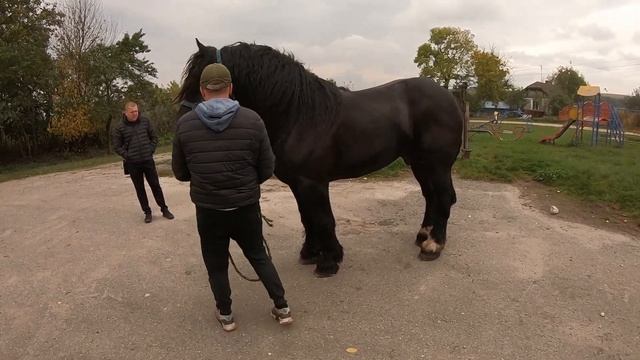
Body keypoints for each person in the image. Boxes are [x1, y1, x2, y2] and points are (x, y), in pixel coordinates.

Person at [172, 63, 292, 332]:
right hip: (245, 206)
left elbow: (180, 173)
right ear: (230, 89)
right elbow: (267, 167)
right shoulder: (252, 119)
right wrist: (246, 186)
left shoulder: (185, 125)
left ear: (203, 91)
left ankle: (226, 315)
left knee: (215, 262)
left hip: (209, 210)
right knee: (258, 255)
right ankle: (281, 307)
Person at [112, 101, 174, 223]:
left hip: (147, 160)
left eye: (136, 111)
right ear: (125, 113)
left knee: (155, 185)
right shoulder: (119, 127)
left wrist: (150, 150)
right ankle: (147, 212)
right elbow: (117, 146)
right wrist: (128, 156)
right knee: (140, 188)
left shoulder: (145, 121)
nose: (135, 114)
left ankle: (164, 209)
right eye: (132, 112)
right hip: (133, 163)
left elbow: (154, 138)